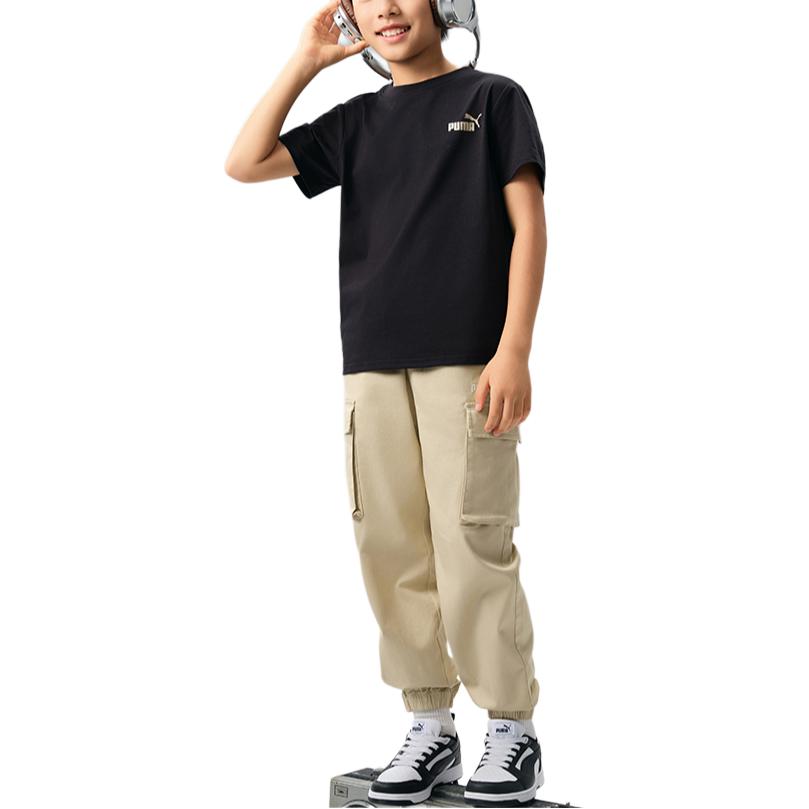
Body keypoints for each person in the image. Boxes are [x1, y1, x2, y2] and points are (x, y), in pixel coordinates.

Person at [225, 1, 548, 804]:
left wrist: (513, 349)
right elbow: (244, 161)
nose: (387, 8)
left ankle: (511, 729)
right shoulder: (358, 122)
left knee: (470, 540)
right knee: (389, 545)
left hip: (467, 363)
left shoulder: (492, 99)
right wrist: (306, 62)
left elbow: (529, 227)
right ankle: (430, 725)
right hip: (370, 363)